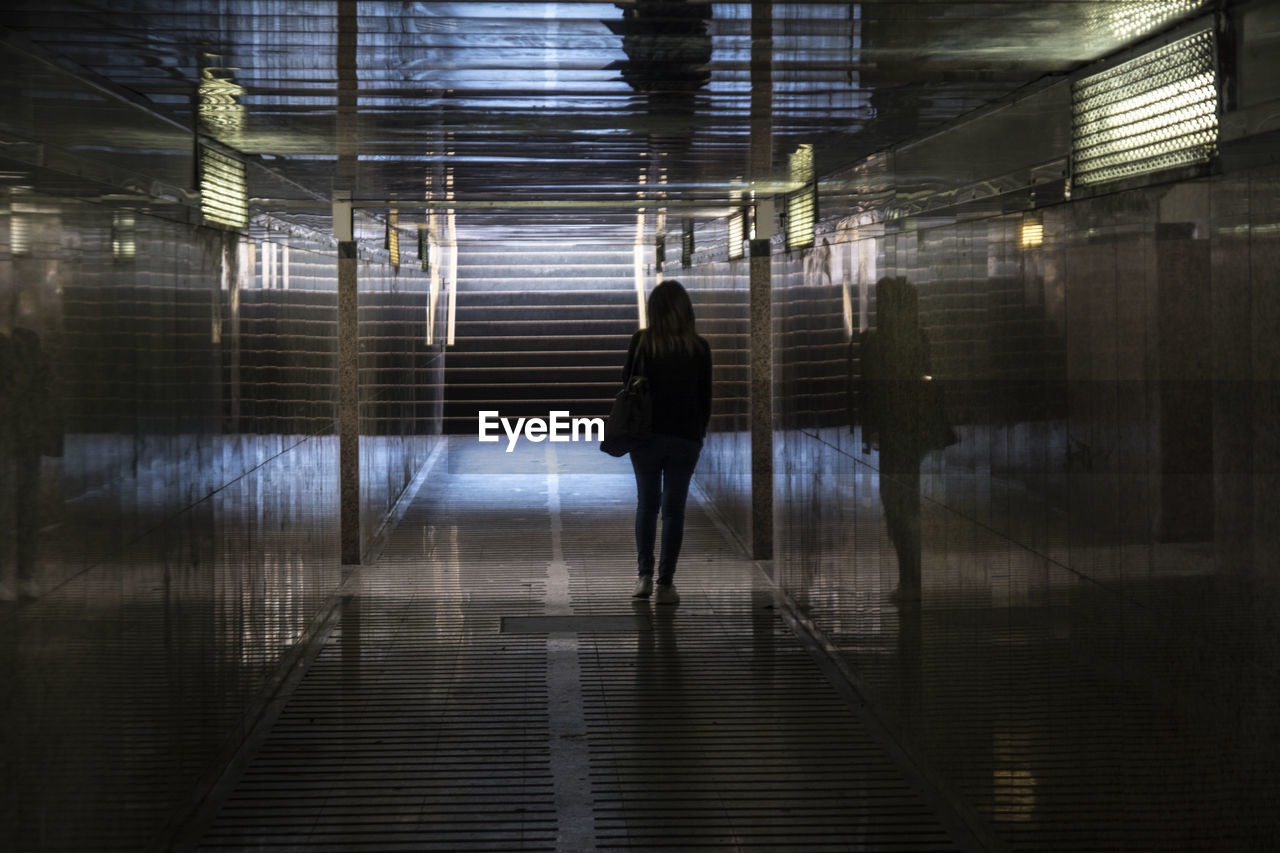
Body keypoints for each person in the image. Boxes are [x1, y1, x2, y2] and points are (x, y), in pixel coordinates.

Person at [851, 277, 953, 605]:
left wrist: (871, 432)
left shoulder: (873, 342)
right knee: (905, 505)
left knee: (895, 505)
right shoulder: (918, 338)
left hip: (894, 434)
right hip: (916, 432)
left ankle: (909, 578)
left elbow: (870, 394)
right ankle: (911, 578)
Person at [623, 280, 712, 605]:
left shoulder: (642, 343)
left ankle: (643, 576)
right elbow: (706, 399)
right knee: (674, 512)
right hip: (685, 438)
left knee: (647, 506)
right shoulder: (699, 348)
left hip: (645, 437)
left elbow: (626, 387)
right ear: (685, 310)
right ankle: (666, 584)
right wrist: (698, 436)